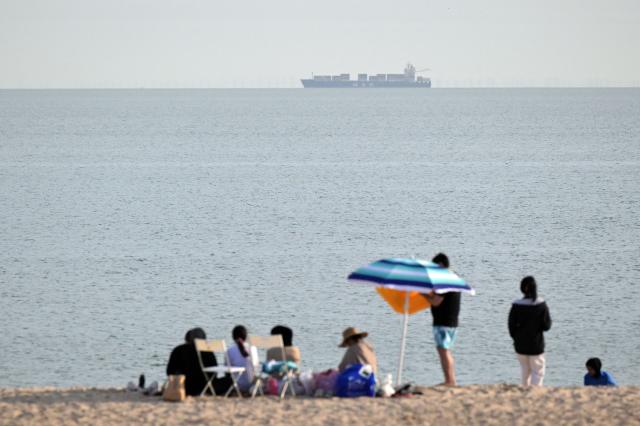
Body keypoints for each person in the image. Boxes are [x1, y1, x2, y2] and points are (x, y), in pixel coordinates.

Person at [424, 253, 460, 386]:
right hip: (451, 321)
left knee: (443, 350)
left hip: (443, 321)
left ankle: (449, 380)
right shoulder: (453, 277)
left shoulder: (444, 280)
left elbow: (436, 302)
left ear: (441, 265)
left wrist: (423, 294)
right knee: (446, 350)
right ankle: (450, 380)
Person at [508, 276, 552, 386]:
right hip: (536, 345)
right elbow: (547, 326)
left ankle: (524, 391)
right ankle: (535, 393)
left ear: (522, 288)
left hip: (520, 345)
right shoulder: (541, 305)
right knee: (537, 372)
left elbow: (511, 326)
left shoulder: (516, 305)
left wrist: (516, 337)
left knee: (525, 371)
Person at [166, 327, 231, 396]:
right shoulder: (207, 351)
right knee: (229, 380)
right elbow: (213, 373)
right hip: (203, 387)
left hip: (182, 387)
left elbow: (169, 371)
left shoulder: (177, 350)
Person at [226, 325, 255, 392]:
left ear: (233, 337)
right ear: (246, 337)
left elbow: (227, 369)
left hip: (237, 386)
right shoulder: (253, 348)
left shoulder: (230, 350)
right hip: (253, 385)